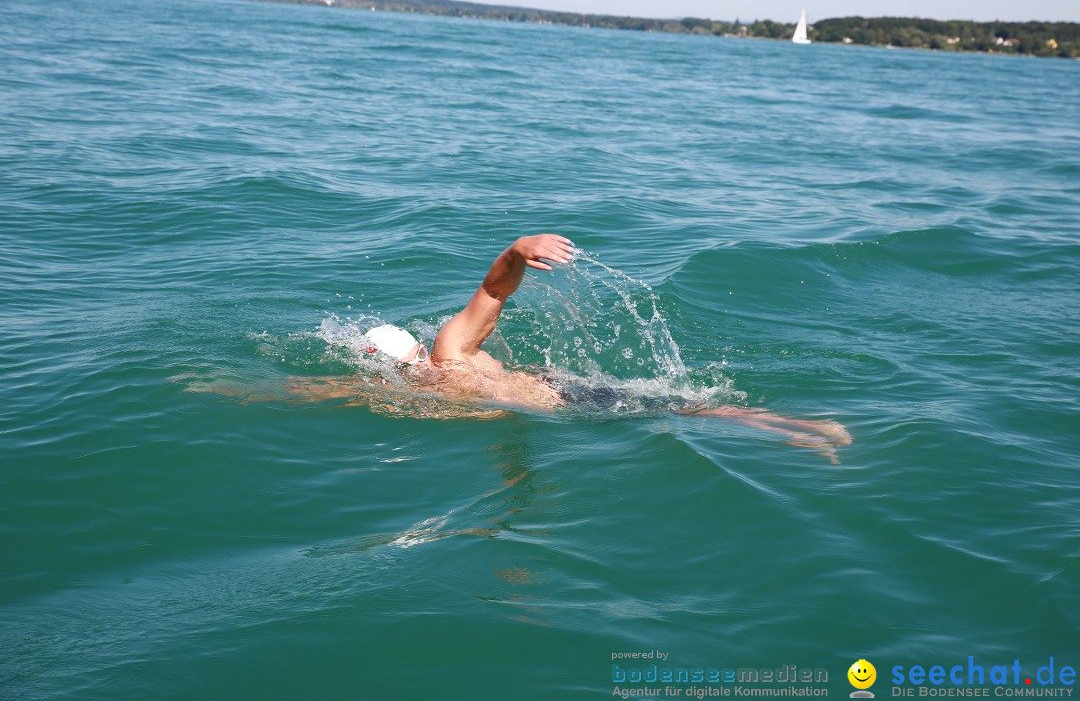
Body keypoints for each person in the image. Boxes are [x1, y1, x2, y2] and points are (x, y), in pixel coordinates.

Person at [189, 234, 852, 461]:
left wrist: (517, 248)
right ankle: (805, 428)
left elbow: (492, 291)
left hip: (569, 399)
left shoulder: (445, 359)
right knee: (682, 408)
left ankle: (806, 429)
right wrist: (237, 388)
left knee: (688, 412)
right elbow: (316, 392)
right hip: (557, 399)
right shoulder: (420, 380)